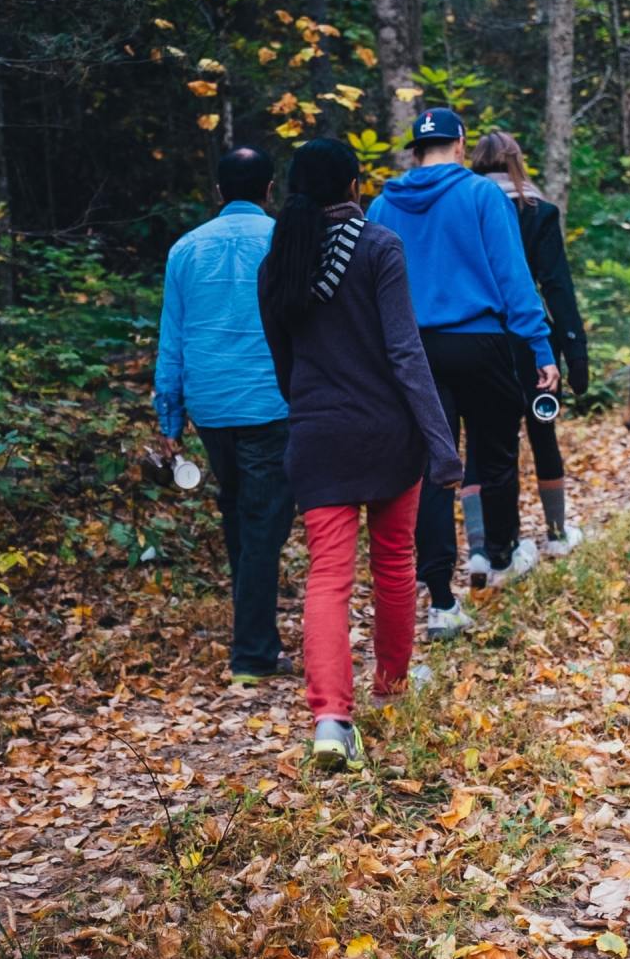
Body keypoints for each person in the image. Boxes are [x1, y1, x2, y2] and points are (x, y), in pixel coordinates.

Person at [258, 139, 462, 772]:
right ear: (353, 185)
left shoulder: (278, 262)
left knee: (327, 577)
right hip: (385, 435)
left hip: (318, 438)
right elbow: (406, 352)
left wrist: (314, 409)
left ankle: (330, 719)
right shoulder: (378, 247)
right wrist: (441, 440)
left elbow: (283, 364)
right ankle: (393, 688)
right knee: (395, 563)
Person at [366, 108, 559, 638]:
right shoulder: (481, 196)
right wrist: (540, 346)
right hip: (481, 342)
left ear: (414, 150)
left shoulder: (383, 204)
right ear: (459, 144)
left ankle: (441, 599)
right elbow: (513, 276)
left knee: (433, 466)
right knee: (494, 453)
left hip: (413, 351)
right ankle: (498, 557)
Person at [154, 147, 295, 686]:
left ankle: (254, 631)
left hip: (211, 406)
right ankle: (254, 651)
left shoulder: (185, 250)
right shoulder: (284, 240)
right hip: (270, 402)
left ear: (218, 191)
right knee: (263, 523)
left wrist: (170, 418)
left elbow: (173, 339)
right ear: (269, 189)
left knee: (239, 510)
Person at [468, 131, 590, 554]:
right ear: (516, 162)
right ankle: (556, 534)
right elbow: (557, 286)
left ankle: (483, 547)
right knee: (542, 432)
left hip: (477, 337)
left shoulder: (462, 207)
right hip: (532, 339)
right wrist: (576, 351)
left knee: (480, 442)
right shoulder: (538, 212)